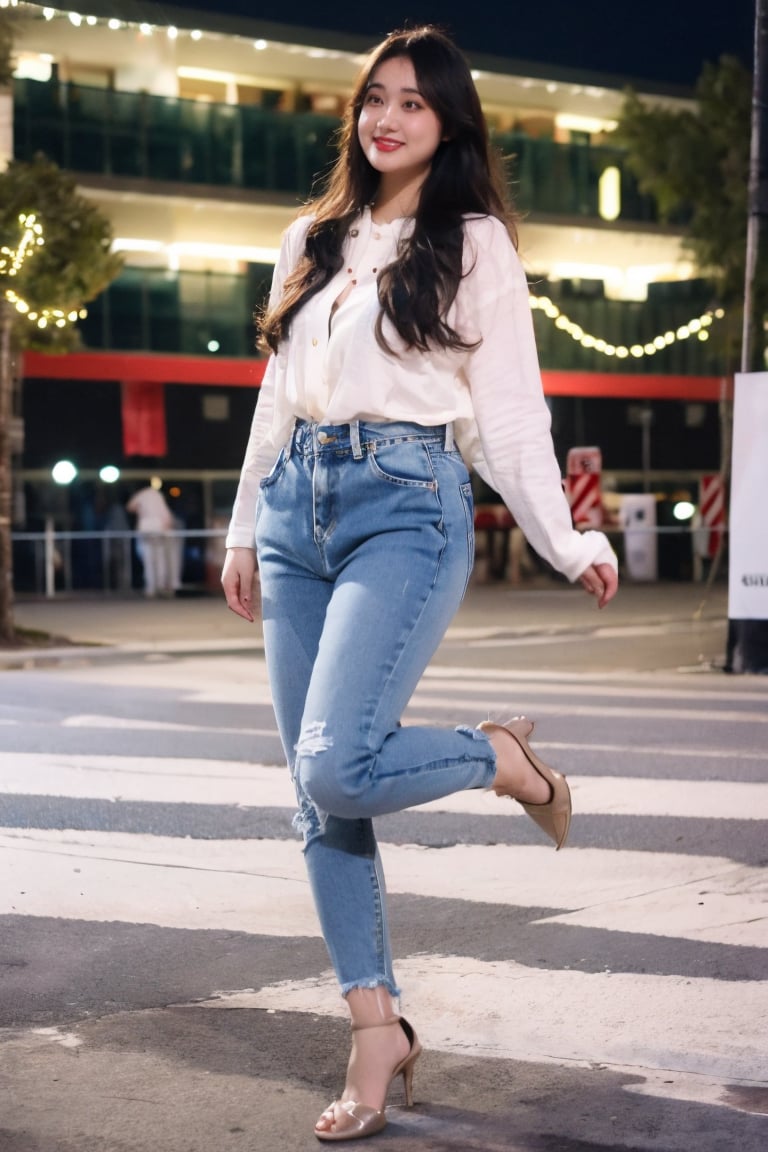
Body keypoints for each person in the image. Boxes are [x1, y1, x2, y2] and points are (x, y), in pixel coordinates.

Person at [222, 25, 618, 1143]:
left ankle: (499, 755)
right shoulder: (311, 236)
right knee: (318, 795)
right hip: (298, 507)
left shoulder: (475, 240)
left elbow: (508, 416)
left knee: (336, 762)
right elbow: (273, 397)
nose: (388, 117)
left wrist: (568, 541)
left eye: (415, 103)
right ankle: (376, 1025)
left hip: (409, 503)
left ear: (449, 125)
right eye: (375, 99)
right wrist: (246, 524)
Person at [126, 478, 176, 598]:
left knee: (148, 559)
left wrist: (140, 511)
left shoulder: (141, 494)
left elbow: (129, 507)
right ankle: (160, 586)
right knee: (160, 558)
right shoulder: (157, 494)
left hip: (146, 528)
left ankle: (150, 589)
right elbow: (167, 515)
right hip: (159, 528)